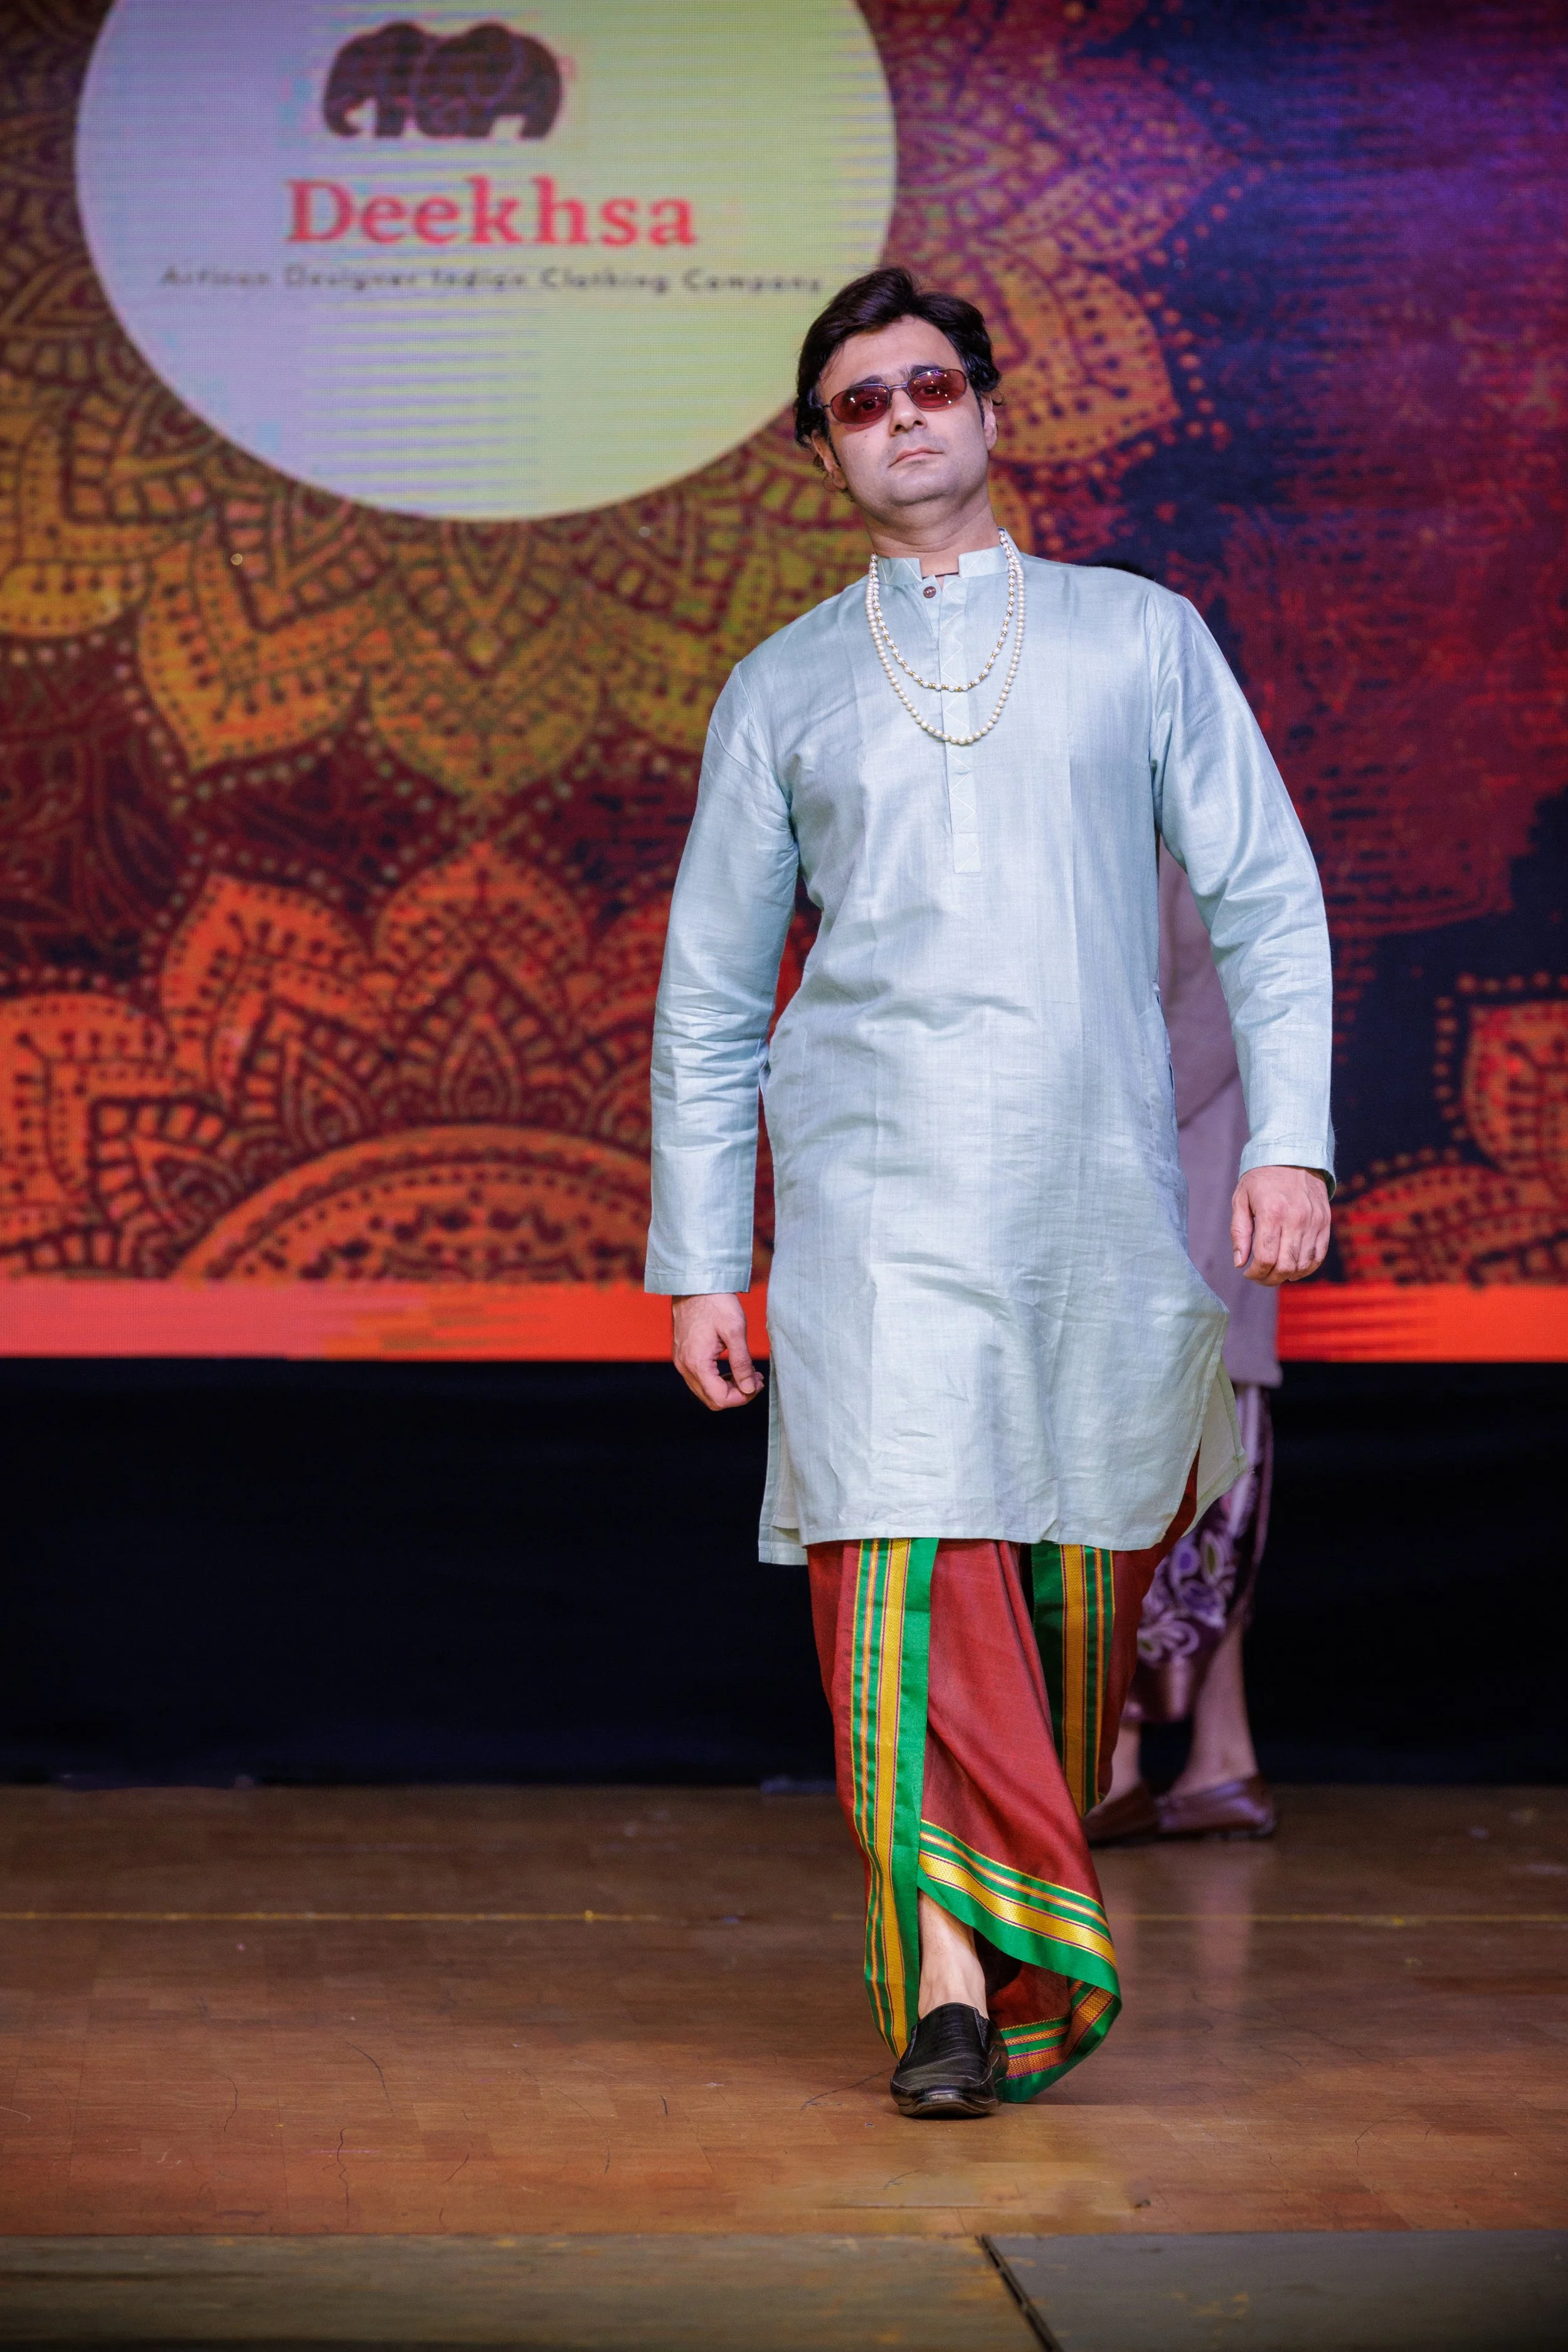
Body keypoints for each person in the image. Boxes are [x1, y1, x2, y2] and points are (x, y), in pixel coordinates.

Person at [646, 267, 1333, 2121]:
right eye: (859, 404)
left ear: (990, 410)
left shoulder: (1137, 636)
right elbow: (710, 997)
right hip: (869, 1200)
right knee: (899, 1566)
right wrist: (700, 1259)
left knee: (1060, 1588)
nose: (902, 420)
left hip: (1092, 1194)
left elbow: (1264, 899)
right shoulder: (781, 685)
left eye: (928, 386)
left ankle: (1009, 1929)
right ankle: (945, 1989)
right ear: (820, 454)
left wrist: (1287, 1138)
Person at [1086, 850, 1282, 1847]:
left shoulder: (1182, 827)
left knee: (1161, 1494)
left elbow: (1203, 1019)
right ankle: (1220, 1761)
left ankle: (1120, 1765)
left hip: (1178, 1204)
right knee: (1203, 1499)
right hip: (1186, 1203)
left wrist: (1084, 1112)